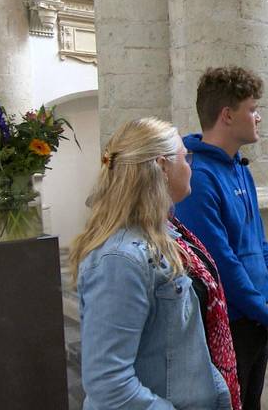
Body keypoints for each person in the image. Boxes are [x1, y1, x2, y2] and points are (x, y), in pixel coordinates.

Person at [69, 117, 231, 409]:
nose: (190, 166)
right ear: (163, 166)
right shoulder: (119, 260)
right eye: (186, 157)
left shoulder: (165, 232)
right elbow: (110, 386)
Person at [175, 66, 268, 410]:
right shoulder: (198, 177)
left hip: (257, 316)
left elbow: (260, 241)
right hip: (231, 322)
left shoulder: (241, 167)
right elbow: (220, 263)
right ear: (227, 115)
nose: (258, 118)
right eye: (252, 109)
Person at [170, 215, 243, 410]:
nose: (191, 181)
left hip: (200, 384)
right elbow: (112, 380)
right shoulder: (123, 256)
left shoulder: (174, 229)